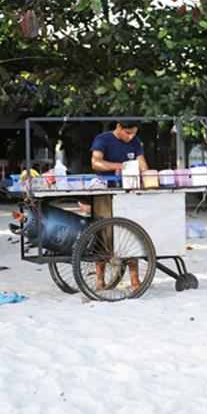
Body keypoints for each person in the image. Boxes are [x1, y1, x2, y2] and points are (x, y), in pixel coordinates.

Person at [80, 118, 148, 290]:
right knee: (102, 235)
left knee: (131, 233)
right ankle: (100, 281)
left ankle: (135, 281)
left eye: (134, 133)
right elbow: (96, 162)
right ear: (118, 127)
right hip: (104, 191)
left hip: (128, 192)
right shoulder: (102, 139)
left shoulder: (136, 141)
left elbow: (142, 164)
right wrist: (122, 166)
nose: (131, 136)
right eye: (127, 132)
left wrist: (148, 176)